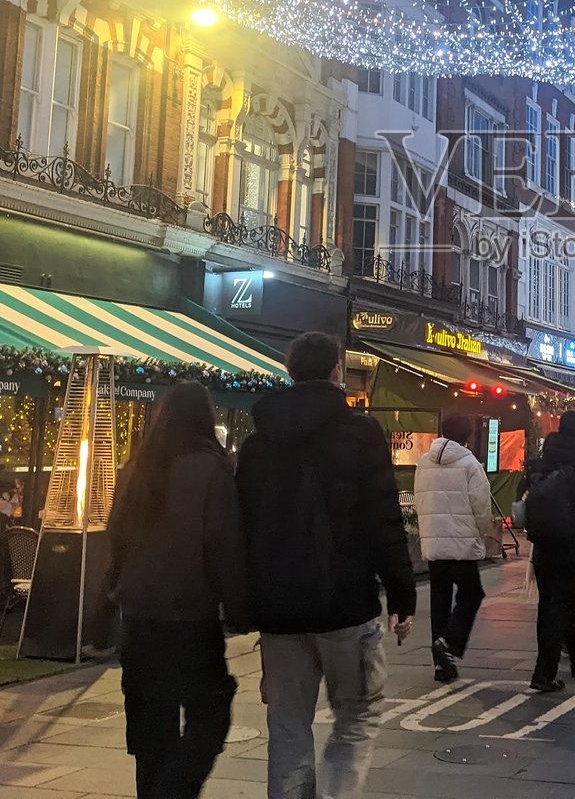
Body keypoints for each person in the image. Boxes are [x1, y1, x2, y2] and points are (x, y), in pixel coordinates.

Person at [237, 332, 415, 799]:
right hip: (345, 603)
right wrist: (402, 593)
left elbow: (244, 525)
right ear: (337, 371)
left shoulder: (258, 442)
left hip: (279, 609)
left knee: (288, 725)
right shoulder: (361, 433)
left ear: (289, 369)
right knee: (357, 714)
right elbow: (383, 516)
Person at [107, 382, 249, 799]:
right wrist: (240, 610)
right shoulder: (211, 469)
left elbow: (115, 537)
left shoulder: (136, 466)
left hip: (136, 619)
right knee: (211, 712)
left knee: (152, 735)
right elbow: (224, 545)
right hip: (189, 618)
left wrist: (115, 589)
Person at [521, 410, 575, 691]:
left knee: (552, 604)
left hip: (544, 544)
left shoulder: (541, 463)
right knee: (562, 606)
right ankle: (544, 672)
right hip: (574, 546)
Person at [413, 413, 491, 685]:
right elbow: (481, 506)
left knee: (440, 600)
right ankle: (449, 643)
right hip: (460, 542)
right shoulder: (470, 464)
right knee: (472, 593)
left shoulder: (424, 461)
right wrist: (479, 533)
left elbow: (419, 501)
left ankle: (441, 665)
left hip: (435, 542)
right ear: (468, 435)